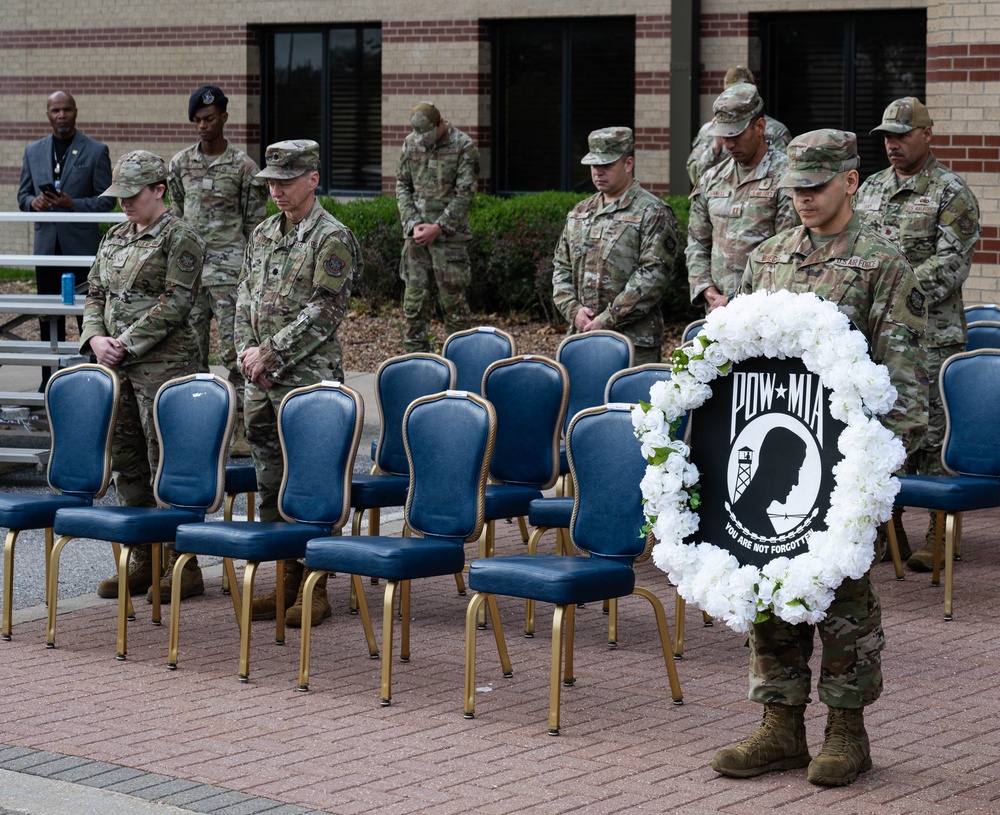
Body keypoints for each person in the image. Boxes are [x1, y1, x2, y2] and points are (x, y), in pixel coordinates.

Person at [713, 130, 927, 787]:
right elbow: (739, 358)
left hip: (846, 466)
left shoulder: (884, 264)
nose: (803, 198)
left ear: (850, 181)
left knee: (843, 598)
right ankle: (780, 726)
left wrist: (874, 474)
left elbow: (906, 384)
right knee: (770, 581)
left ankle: (846, 732)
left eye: (816, 185)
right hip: (777, 447)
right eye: (795, 188)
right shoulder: (768, 257)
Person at [236, 140, 363, 628]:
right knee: (270, 480)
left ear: (313, 179)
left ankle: (316, 586)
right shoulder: (264, 232)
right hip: (260, 381)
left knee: (312, 480)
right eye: (271, 181)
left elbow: (325, 310)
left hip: (308, 381)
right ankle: (285, 582)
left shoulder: (332, 237)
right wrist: (247, 353)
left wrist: (270, 352)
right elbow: (244, 297)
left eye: (286, 181)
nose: (277, 190)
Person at [855, 98, 981, 570]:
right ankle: (889, 531)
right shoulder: (870, 189)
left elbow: (952, 264)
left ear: (927, 135)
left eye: (902, 135)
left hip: (932, 337)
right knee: (882, 432)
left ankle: (938, 533)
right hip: (880, 338)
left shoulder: (950, 192)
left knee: (931, 436)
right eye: (887, 136)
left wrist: (889, 291)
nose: (893, 144)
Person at [79, 151, 205, 602]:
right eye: (120, 195)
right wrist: (95, 338)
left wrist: (125, 342)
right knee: (126, 461)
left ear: (159, 190)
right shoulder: (115, 237)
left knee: (166, 462)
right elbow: (94, 293)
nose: (125, 203)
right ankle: (143, 557)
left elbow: (176, 302)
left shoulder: (180, 238)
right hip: (116, 369)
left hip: (163, 370)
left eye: (133, 195)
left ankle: (182, 564)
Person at [168, 85, 267, 458]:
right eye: (196, 120)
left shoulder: (244, 168)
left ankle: (240, 428)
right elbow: (176, 217)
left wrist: (252, 277)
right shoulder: (180, 164)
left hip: (229, 276)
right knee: (191, 352)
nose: (202, 126)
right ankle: (198, 426)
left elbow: (255, 226)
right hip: (190, 276)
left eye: (208, 118)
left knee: (234, 353)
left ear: (224, 117)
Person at [551, 127, 679, 365]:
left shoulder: (653, 212)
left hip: (633, 343)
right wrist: (573, 311)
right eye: (593, 165)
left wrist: (608, 319)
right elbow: (561, 267)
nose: (598, 171)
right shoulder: (580, 212)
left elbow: (653, 276)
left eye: (606, 164)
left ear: (628, 164)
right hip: (581, 336)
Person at [17, 90, 114, 389]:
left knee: (89, 318)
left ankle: (95, 383)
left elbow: (107, 200)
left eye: (67, 109)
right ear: (47, 114)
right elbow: (22, 196)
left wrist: (73, 204)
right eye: (55, 110)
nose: (62, 115)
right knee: (49, 317)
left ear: (76, 112)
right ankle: (49, 382)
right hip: (47, 249)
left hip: (82, 251)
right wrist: (33, 203)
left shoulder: (96, 150)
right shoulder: (32, 151)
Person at [686, 83, 799, 312]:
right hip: (716, 310)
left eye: (736, 135)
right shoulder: (711, 179)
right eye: (723, 136)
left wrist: (737, 299)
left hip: (765, 310)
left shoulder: (786, 177)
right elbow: (697, 242)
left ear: (760, 126)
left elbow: (787, 251)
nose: (728, 144)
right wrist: (707, 289)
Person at [395, 102, 479, 352]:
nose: (424, 140)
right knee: (414, 304)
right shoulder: (411, 143)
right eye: (420, 136)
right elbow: (402, 185)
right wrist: (413, 223)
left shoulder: (463, 146)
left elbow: (465, 193)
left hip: (450, 241)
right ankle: (416, 362)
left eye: (428, 134)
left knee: (454, 306)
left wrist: (439, 227)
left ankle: (461, 362)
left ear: (441, 123)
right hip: (417, 238)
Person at [687, 67, 791, 187]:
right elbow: (696, 178)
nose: (730, 144)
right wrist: (715, 149)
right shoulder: (708, 131)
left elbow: (786, 174)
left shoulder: (775, 130)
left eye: (743, 94)